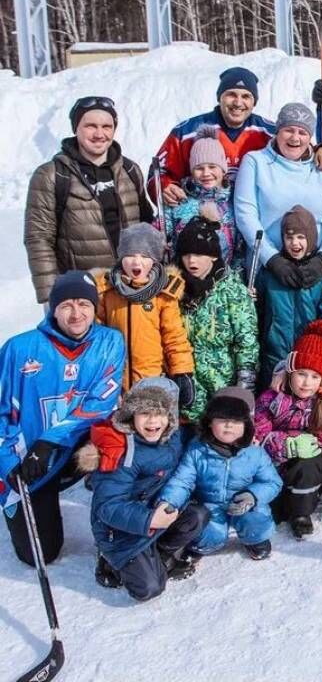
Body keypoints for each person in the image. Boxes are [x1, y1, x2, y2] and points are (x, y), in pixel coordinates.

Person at [0, 272, 124, 566]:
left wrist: (49, 441)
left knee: (120, 439)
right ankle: (29, 498)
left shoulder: (109, 342)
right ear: (53, 308)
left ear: (95, 308)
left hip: (73, 446)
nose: (76, 313)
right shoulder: (20, 349)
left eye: (84, 303)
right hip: (29, 455)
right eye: (67, 305)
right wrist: (10, 464)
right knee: (39, 554)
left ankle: (117, 529)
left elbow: (100, 404)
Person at [80, 377, 209, 600]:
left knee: (198, 515)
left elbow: (206, 439)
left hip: (157, 509)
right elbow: (108, 506)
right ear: (132, 414)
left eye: (159, 414)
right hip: (121, 528)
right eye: (144, 413)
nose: (152, 422)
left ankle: (159, 554)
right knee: (149, 588)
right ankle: (110, 560)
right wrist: (149, 520)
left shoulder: (177, 434)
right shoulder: (122, 449)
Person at [24, 96, 153, 304]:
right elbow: (38, 239)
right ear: (76, 128)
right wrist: (51, 297)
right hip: (81, 293)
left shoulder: (129, 170)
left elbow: (147, 225)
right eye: (90, 126)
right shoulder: (51, 175)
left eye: (106, 126)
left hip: (130, 286)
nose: (99, 134)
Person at [159, 387, 282, 560]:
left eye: (237, 420)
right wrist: (169, 502)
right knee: (211, 532)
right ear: (210, 421)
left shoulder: (254, 453)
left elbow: (272, 482)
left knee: (256, 517)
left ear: (247, 424)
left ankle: (254, 540)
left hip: (243, 502)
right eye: (222, 419)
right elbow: (182, 481)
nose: (229, 425)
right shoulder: (197, 450)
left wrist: (252, 496)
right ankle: (201, 546)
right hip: (210, 504)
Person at [234, 102, 322, 282]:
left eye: (302, 132)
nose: (295, 138)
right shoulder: (256, 162)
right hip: (269, 267)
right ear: (277, 131)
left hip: (315, 266)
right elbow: (245, 214)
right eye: (289, 130)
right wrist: (271, 258)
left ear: (309, 137)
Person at [253, 320, 322, 539]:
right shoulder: (273, 397)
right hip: (276, 457)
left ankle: (302, 513)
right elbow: (259, 431)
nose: (306, 383)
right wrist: (287, 444)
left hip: (308, 459)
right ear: (289, 372)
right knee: (273, 507)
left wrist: (308, 443)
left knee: (308, 464)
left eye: (314, 376)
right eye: (301, 373)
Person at [94, 223, 194, 400]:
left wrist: (182, 371)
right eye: (130, 255)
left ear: (154, 260)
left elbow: (174, 336)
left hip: (153, 379)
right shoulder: (107, 291)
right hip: (115, 381)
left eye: (144, 256)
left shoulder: (163, 293)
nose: (136, 262)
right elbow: (97, 335)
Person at [152, 68, 283, 203]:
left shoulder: (270, 133)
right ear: (219, 97)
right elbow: (158, 173)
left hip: (256, 215)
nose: (238, 103)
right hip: (201, 216)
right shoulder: (186, 132)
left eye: (246, 96)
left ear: (254, 102)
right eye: (231, 94)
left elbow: (295, 170)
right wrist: (165, 186)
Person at [175, 214, 258, 424]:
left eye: (199, 254)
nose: (191, 261)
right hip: (186, 387)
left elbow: (246, 340)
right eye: (186, 254)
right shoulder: (175, 288)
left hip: (223, 386)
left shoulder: (232, 291)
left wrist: (244, 385)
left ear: (213, 256)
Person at [257, 206, 322, 386]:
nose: (294, 243)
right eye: (289, 237)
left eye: (301, 237)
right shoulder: (270, 273)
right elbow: (259, 312)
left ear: (311, 237)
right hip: (275, 353)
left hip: (309, 360)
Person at [163, 124, 239, 266]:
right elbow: (158, 233)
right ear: (192, 171)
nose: (206, 173)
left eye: (212, 167)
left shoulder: (235, 201)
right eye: (199, 168)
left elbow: (241, 248)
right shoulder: (179, 200)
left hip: (225, 280)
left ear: (223, 169)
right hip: (185, 279)